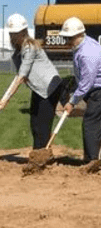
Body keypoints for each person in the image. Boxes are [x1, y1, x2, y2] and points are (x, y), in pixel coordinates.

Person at [0, 14, 63, 150]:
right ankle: (37, 153)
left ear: (23, 32)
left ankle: (43, 157)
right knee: (34, 122)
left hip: (50, 87)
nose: (13, 37)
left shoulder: (30, 47)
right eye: (11, 34)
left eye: (16, 34)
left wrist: (5, 99)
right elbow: (20, 75)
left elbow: (21, 76)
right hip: (39, 89)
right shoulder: (18, 51)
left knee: (42, 124)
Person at [61, 17, 101, 164]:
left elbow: (86, 82)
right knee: (98, 124)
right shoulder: (81, 46)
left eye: (70, 38)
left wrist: (72, 102)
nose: (68, 42)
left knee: (91, 123)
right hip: (97, 88)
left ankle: (93, 160)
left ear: (80, 35)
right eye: (66, 38)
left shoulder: (88, 52)